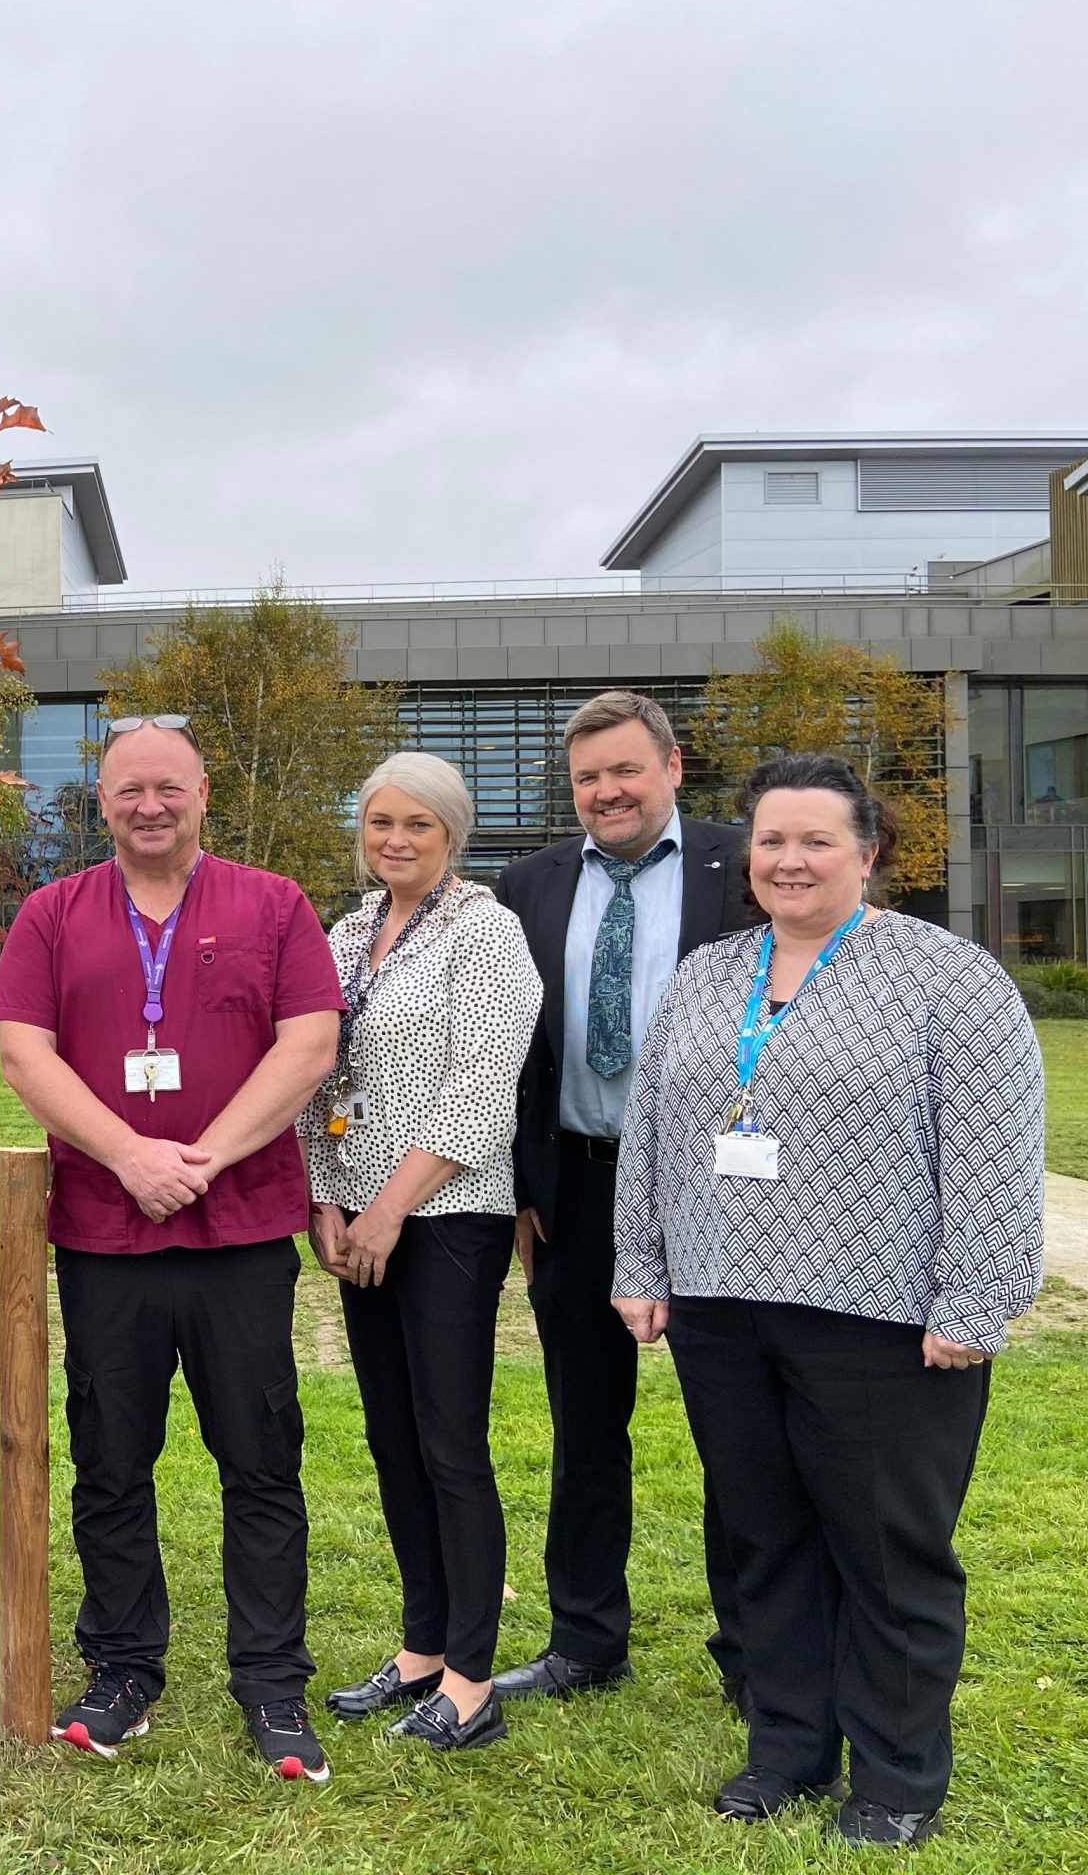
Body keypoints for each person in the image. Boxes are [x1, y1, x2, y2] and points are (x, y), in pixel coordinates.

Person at [614, 752, 1044, 1848]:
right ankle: (787, 1748)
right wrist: (638, 1264)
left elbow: (996, 1152)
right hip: (721, 1305)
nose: (788, 860)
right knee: (763, 1538)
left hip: (885, 1317)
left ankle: (896, 1777)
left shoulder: (948, 978)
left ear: (869, 852)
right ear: (744, 853)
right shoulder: (709, 975)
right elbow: (650, 1133)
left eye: (814, 840)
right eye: (769, 840)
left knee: (887, 1552)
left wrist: (974, 1300)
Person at [0, 715, 344, 1784]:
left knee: (259, 1458)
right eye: (129, 790)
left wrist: (201, 1157)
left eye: (169, 788)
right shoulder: (52, 915)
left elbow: (311, 1041)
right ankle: (123, 1669)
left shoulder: (271, 904)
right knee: (110, 1461)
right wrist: (128, 1157)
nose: (150, 805)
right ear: (101, 803)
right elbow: (23, 1051)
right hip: (106, 1235)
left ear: (202, 795)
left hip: (238, 1231)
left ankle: (271, 1683)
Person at [489, 691, 755, 1712]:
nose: (607, 792)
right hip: (579, 1189)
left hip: (723, 1191)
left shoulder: (746, 867)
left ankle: (750, 1649)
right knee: (584, 1426)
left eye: (625, 770)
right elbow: (516, 1050)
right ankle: (585, 1640)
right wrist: (520, 1185)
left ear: (672, 767)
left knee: (734, 1423)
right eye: (587, 778)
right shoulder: (529, 883)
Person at [298, 752, 540, 1752]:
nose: (393, 839)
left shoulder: (486, 934)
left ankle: (472, 1681)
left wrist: (390, 1207)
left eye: (417, 826)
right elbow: (316, 1066)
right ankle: (418, 1649)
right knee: (392, 1440)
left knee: (448, 1445)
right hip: (355, 1215)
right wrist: (323, 1194)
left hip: (445, 1217)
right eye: (378, 821)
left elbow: (483, 1090)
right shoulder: (347, 933)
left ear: (453, 835)